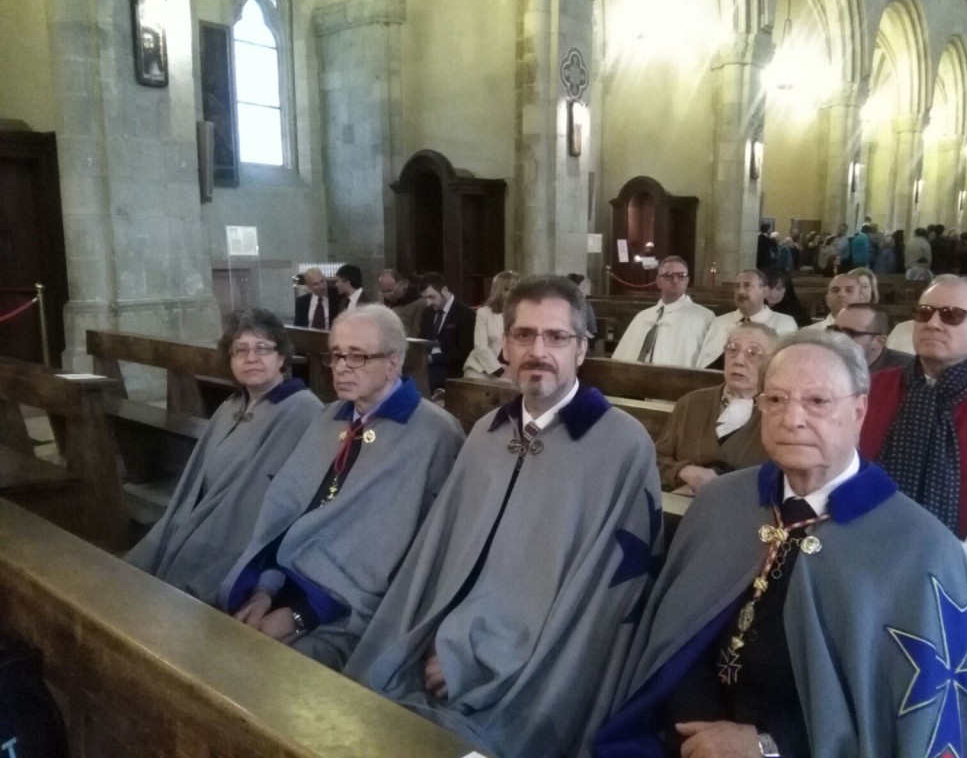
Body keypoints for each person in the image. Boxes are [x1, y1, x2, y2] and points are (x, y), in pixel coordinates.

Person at [596, 329, 967, 758]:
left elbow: (901, 718)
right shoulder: (722, 503)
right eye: (776, 400)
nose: (792, 419)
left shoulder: (920, 549)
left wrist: (769, 746)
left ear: (860, 409)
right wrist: (696, 730)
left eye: (817, 401)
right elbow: (677, 644)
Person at [346, 275, 662, 758]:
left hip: (530, 674)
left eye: (557, 337)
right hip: (438, 646)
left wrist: (469, 659)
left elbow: (597, 603)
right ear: (505, 346)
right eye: (523, 335)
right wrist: (431, 639)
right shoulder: (487, 436)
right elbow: (439, 561)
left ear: (582, 349)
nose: (539, 350)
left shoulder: (621, 445)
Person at [220, 305, 464, 665]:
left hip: (349, 613)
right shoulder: (327, 417)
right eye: (336, 355)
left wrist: (299, 615)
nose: (342, 367)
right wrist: (264, 591)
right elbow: (286, 512)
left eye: (358, 356)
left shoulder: (434, 433)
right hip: (285, 580)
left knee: (271, 674)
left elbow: (409, 556)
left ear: (394, 362)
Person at [124, 309, 322, 605]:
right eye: (240, 350)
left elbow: (290, 500)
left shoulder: (303, 410)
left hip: (237, 540)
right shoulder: (231, 405)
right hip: (194, 522)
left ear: (282, 357)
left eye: (262, 348)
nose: (251, 358)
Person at [861, 275, 967, 583]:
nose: (933, 323)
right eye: (924, 312)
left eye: (952, 315)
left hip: (953, 579)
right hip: (857, 556)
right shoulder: (870, 388)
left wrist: (934, 569)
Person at [655, 324, 775, 495]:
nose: (738, 360)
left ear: (772, 363)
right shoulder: (690, 403)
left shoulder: (778, 414)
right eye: (732, 349)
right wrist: (683, 471)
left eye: (753, 353)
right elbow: (654, 461)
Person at [612, 257, 714, 367]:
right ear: (658, 281)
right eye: (668, 275)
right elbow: (622, 358)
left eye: (681, 276)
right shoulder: (642, 316)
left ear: (687, 281)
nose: (675, 280)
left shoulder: (704, 317)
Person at [695, 270, 798, 369]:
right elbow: (704, 365)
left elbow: (783, 367)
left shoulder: (784, 323)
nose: (740, 291)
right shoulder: (719, 322)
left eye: (747, 286)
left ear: (765, 291)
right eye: (737, 286)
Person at [418, 272, 476, 392]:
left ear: (444, 290)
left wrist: (433, 358)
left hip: (450, 367)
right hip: (425, 365)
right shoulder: (427, 313)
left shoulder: (464, 313)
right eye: (425, 298)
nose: (428, 303)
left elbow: (464, 351)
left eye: (431, 297)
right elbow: (421, 340)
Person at [463, 270, 519, 379]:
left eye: (516, 290)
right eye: (507, 290)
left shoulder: (524, 314)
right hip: (481, 367)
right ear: (498, 291)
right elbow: (480, 346)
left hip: (511, 369)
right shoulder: (484, 313)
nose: (512, 294)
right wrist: (498, 369)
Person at [832, 303, 913, 372]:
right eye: (834, 330)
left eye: (849, 333)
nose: (836, 338)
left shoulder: (908, 372)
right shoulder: (824, 363)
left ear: (879, 342)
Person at [376, 268, 425, 336]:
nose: (386, 296)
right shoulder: (382, 300)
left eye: (389, 291)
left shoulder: (420, 302)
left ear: (402, 284)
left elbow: (416, 335)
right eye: (383, 292)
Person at [567, 272, 598, 341]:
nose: (587, 293)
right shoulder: (561, 305)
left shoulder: (587, 306)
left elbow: (593, 332)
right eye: (583, 287)